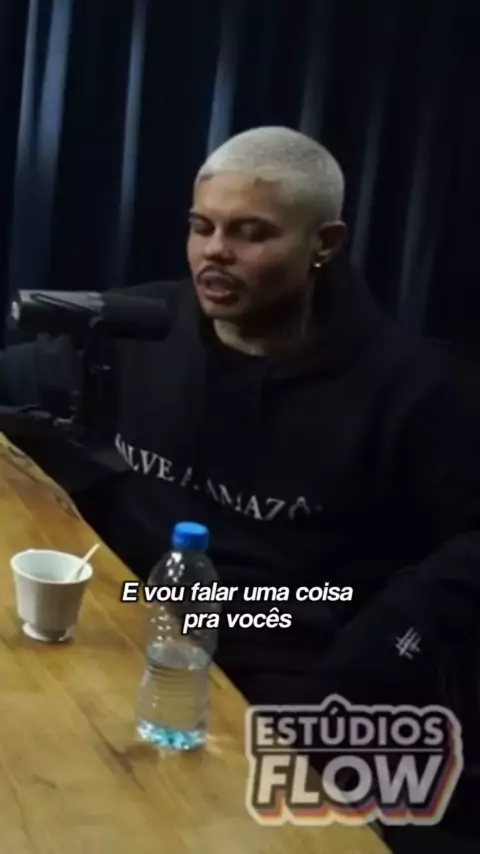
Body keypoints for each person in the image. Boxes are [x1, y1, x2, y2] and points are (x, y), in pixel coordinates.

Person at [2, 127, 480, 818]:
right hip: (133, 629)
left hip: (292, 673)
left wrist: (387, 644)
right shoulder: (145, 328)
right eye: (202, 227)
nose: (215, 251)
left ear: (324, 243)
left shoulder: (413, 391)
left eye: (251, 233)